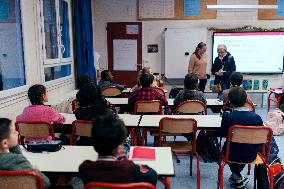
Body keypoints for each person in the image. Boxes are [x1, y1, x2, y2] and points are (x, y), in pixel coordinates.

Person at [79, 112, 158, 186]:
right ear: (119, 145)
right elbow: (153, 176)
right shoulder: (131, 169)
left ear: (93, 142)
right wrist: (128, 162)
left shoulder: (85, 168)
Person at [221, 87, 263, 188]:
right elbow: (260, 138)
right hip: (250, 154)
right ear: (246, 100)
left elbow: (223, 133)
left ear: (230, 102)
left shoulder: (228, 117)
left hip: (230, 154)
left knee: (232, 147)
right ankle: (236, 175)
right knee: (243, 147)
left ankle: (236, 175)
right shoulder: (256, 118)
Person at [0, 118, 50, 188]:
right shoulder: (17, 160)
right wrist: (34, 169)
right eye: (14, 132)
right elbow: (45, 183)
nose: (17, 133)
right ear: (5, 143)